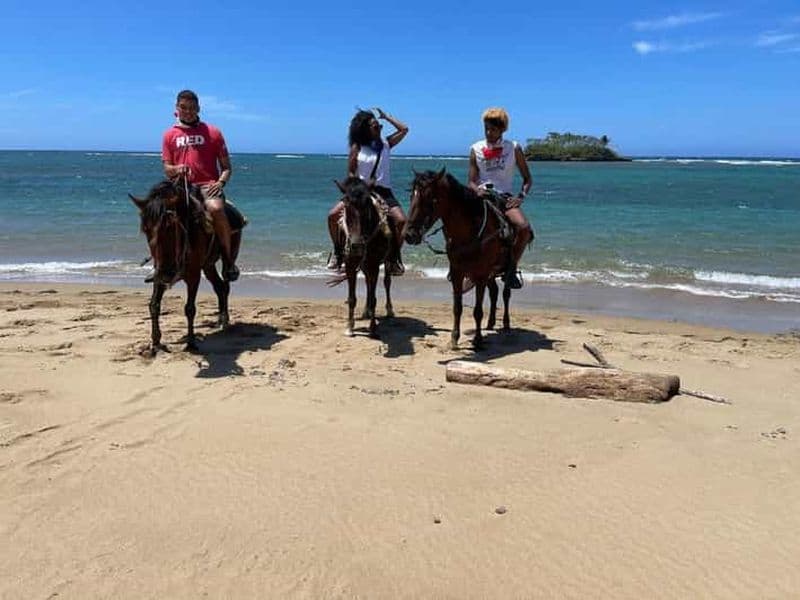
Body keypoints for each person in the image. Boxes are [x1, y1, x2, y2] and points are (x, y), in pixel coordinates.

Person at [161, 89, 239, 282]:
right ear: (177, 108)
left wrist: (220, 183)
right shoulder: (169, 135)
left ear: (198, 109)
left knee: (216, 209)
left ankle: (228, 261)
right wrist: (177, 169)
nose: (188, 111)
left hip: (207, 186)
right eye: (184, 107)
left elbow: (227, 168)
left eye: (192, 108)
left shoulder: (213, 132)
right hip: (180, 187)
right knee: (156, 214)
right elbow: (167, 169)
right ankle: (159, 264)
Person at [327, 108, 409, 275]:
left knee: (402, 221)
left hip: (383, 191)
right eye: (375, 126)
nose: (379, 128)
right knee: (332, 215)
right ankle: (338, 252)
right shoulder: (357, 147)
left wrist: (387, 117)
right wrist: (356, 187)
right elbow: (351, 172)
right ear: (366, 129)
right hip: (361, 191)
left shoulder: (386, 144)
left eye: (380, 126)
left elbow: (404, 129)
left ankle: (394, 258)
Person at [468, 107, 534, 289]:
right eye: (486, 129)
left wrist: (520, 197)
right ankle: (460, 265)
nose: (489, 133)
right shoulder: (475, 149)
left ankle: (511, 269)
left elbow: (528, 179)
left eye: (493, 129)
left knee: (524, 228)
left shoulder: (513, 148)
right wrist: (477, 190)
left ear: (502, 129)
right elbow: (471, 181)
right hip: (482, 197)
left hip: (504, 198)